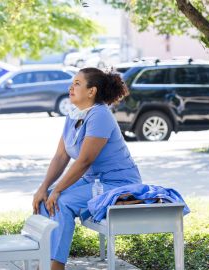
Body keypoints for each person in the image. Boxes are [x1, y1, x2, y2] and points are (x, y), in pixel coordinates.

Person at [32, 67, 142, 270]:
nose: (70, 87)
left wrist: (57, 190)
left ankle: (55, 267)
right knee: (43, 201)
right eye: (72, 83)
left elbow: (85, 161)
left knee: (60, 202)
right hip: (94, 181)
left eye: (77, 84)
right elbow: (61, 155)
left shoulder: (100, 115)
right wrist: (44, 187)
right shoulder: (74, 114)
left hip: (118, 183)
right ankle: (43, 262)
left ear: (91, 91)